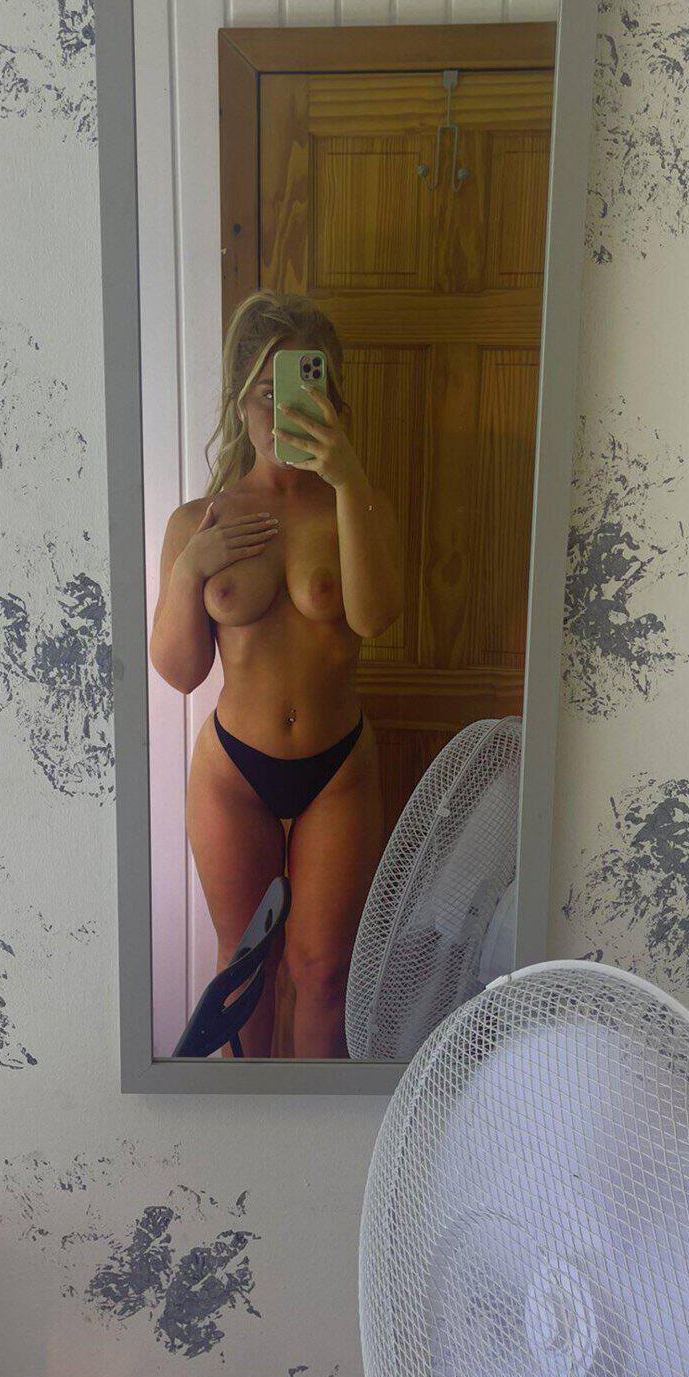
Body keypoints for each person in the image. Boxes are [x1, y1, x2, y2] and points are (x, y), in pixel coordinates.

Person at [149, 291, 403, 1057]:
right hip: (234, 773)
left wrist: (348, 479)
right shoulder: (199, 521)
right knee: (242, 972)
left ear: (332, 395)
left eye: (303, 388)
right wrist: (190, 570)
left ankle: (311, 1125)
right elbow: (180, 672)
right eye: (266, 390)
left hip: (337, 771)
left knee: (324, 974)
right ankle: (248, 1126)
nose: (283, 409)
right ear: (239, 397)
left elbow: (373, 619)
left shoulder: (359, 505)